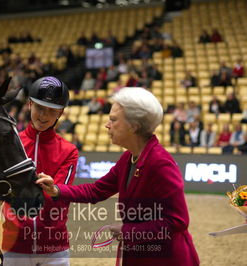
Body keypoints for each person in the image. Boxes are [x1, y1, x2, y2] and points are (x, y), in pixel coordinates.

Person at [36, 87, 199, 266]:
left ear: (134, 126)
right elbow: (96, 190)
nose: (107, 125)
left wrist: (129, 231)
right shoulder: (128, 158)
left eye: (113, 120)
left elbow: (177, 221)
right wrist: (57, 189)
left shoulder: (160, 163)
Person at [2, 76, 79, 266]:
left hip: (54, 248)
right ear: (29, 104)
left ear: (60, 112)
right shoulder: (12, 144)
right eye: (40, 108)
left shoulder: (69, 151)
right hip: (15, 244)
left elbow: (59, 194)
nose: (44, 116)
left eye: (51, 111)